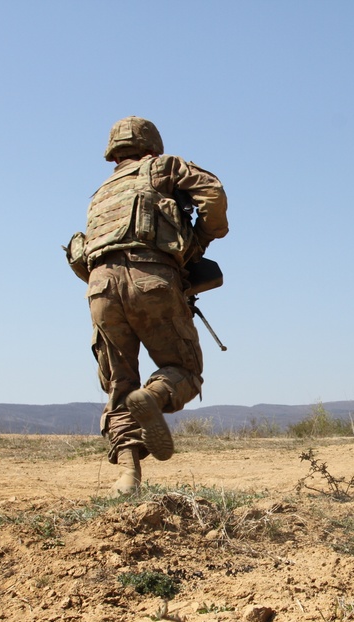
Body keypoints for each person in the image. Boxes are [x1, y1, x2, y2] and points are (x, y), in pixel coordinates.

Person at [65, 116, 228, 495]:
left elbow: (81, 256)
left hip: (99, 288)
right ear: (151, 144)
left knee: (119, 384)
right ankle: (152, 398)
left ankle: (128, 478)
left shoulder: (100, 194)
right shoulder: (164, 166)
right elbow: (213, 195)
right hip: (151, 279)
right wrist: (199, 242)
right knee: (183, 370)